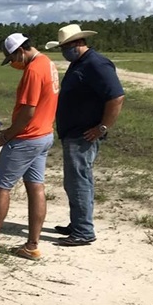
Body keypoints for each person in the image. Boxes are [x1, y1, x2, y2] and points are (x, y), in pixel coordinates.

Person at [0, 33, 60, 260]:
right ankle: (32, 245)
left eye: (12, 59)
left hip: (26, 139)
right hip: (44, 135)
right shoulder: (48, 63)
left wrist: (6, 136)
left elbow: (28, 112)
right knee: (36, 188)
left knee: (0, 188)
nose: (13, 64)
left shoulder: (33, 71)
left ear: (20, 51)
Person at [46, 24, 125, 246]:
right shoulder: (79, 63)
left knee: (78, 181)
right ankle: (78, 222)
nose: (63, 52)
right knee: (75, 181)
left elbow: (116, 97)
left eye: (65, 47)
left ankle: (83, 231)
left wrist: (102, 127)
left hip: (84, 135)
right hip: (73, 133)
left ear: (78, 44)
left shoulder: (96, 64)